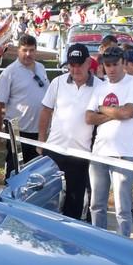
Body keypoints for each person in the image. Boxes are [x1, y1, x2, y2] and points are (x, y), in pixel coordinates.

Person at [85, 46, 133, 238]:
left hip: (123, 153)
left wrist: (102, 108)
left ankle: (123, 244)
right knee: (96, 204)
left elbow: (127, 112)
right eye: (107, 65)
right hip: (99, 152)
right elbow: (89, 117)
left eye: (115, 64)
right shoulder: (100, 87)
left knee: (123, 208)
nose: (111, 69)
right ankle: (99, 241)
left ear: (123, 64)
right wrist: (116, 113)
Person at [38, 43, 96, 219]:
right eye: (72, 65)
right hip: (54, 151)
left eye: (79, 64)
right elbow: (46, 110)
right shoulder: (57, 82)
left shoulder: (100, 86)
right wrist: (41, 141)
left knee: (74, 202)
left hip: (81, 154)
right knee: (49, 199)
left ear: (88, 63)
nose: (75, 69)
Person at [0, 34, 48, 181]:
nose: (28, 54)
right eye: (24, 50)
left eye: (31, 50)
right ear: (18, 50)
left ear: (36, 50)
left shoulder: (41, 68)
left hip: (39, 130)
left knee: (35, 173)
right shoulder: (9, 73)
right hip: (17, 129)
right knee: (15, 171)